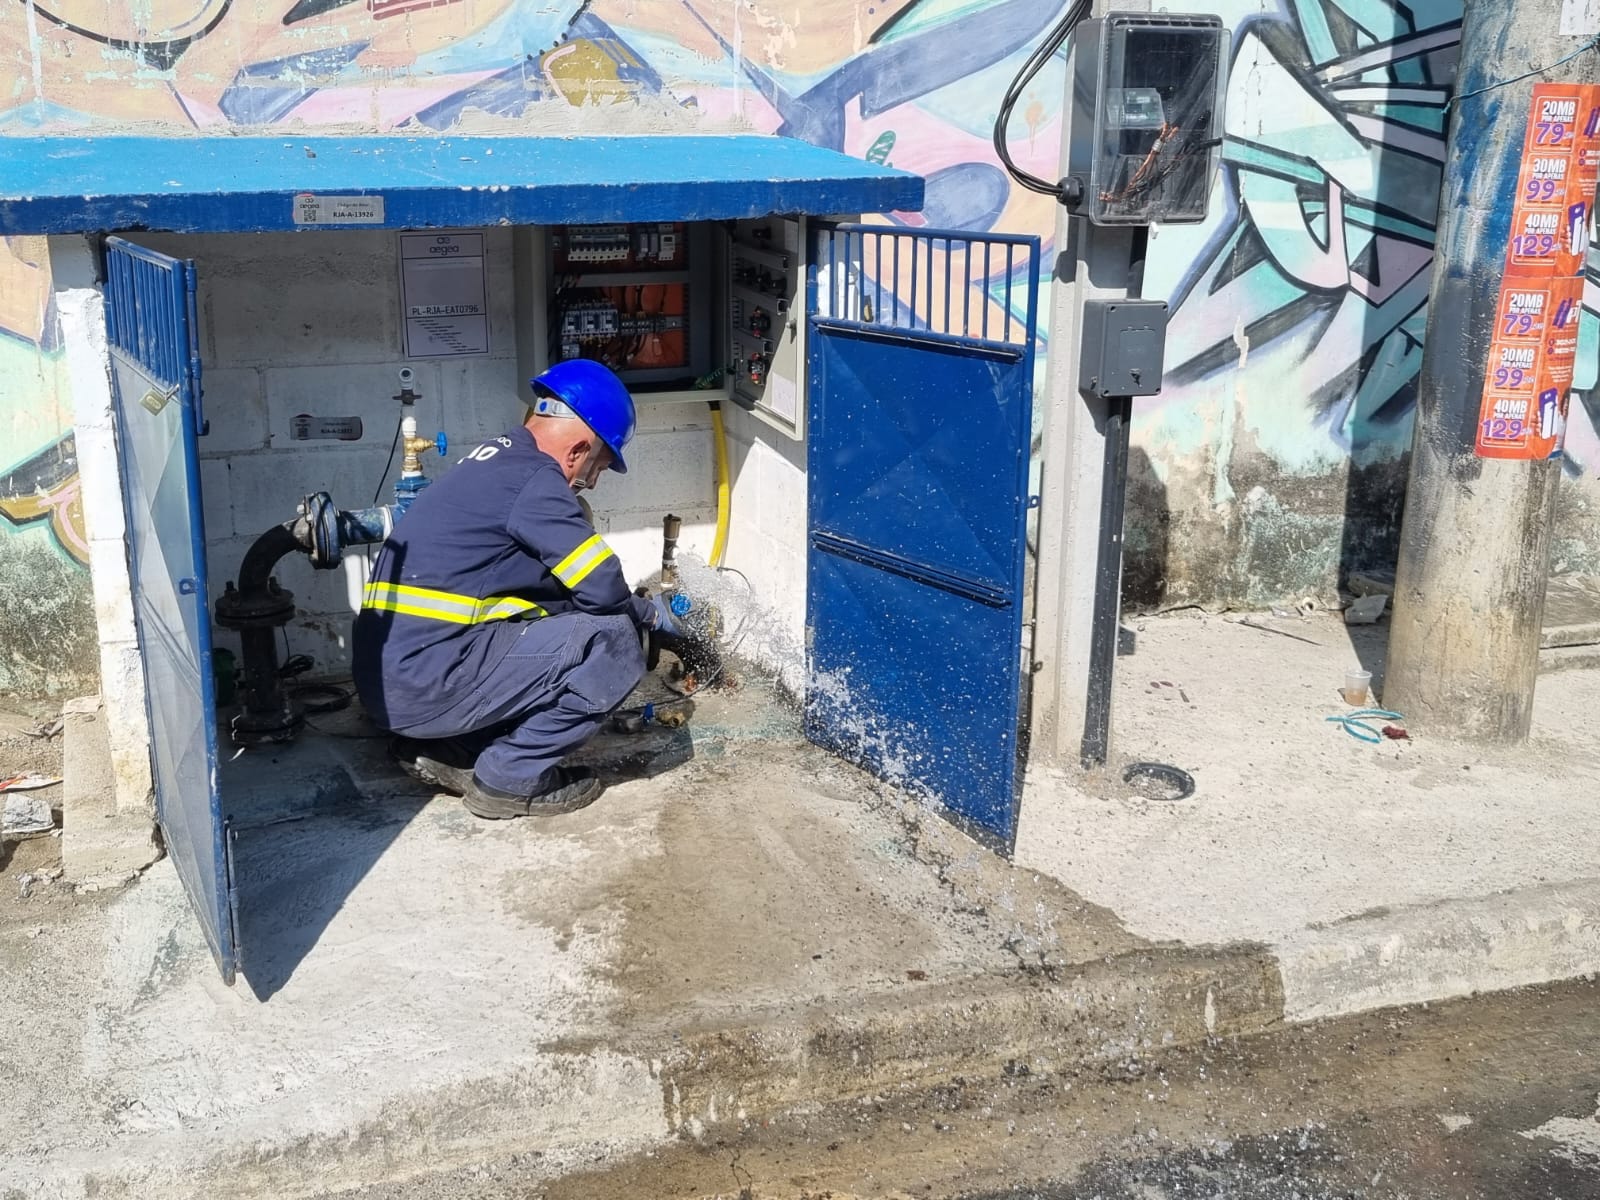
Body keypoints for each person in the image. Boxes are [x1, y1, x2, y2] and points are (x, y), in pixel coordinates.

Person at [352, 360, 679, 819]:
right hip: (424, 686)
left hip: (391, 686)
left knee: (552, 626)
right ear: (578, 449)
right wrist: (650, 616)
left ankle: (453, 747)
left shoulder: (493, 461)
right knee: (615, 641)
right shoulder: (534, 480)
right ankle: (510, 778)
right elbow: (603, 589)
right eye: (596, 469)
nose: (589, 483)